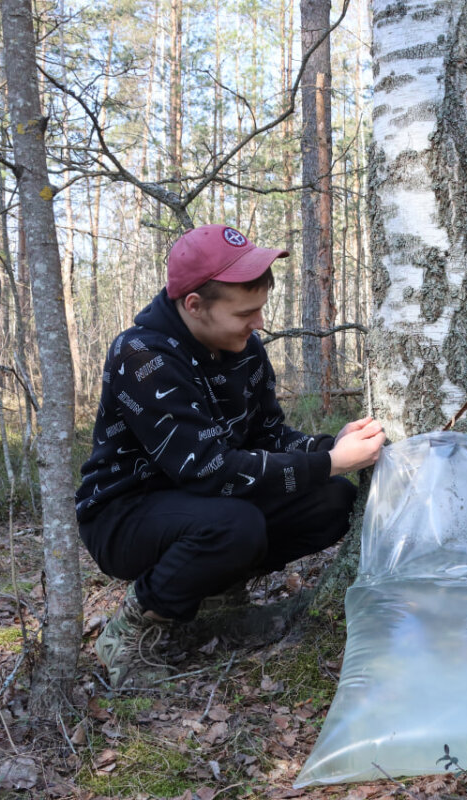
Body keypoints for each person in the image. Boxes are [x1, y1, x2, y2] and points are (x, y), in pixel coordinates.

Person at [76, 224, 386, 687]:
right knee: (233, 526)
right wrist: (328, 461)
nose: (258, 323)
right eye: (246, 312)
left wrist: (328, 448)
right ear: (194, 305)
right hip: (124, 514)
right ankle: (133, 627)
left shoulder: (244, 349)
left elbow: (266, 433)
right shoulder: (140, 355)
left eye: (260, 309)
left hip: (207, 503)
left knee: (333, 500)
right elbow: (206, 470)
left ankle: (215, 597)